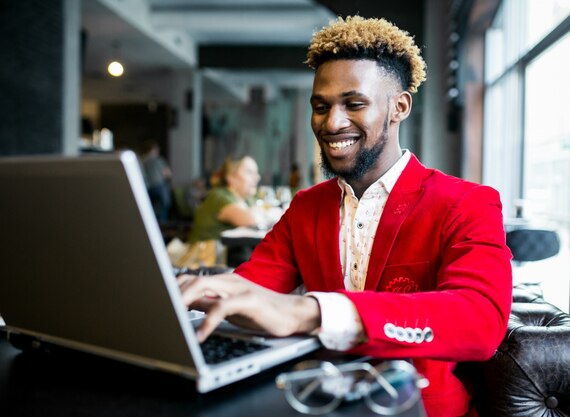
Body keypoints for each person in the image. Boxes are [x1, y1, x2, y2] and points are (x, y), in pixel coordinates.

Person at [178, 16, 512, 417]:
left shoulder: (467, 202)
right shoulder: (306, 207)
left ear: (399, 107)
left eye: (354, 104)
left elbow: (480, 321)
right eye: (321, 106)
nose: (332, 123)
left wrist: (313, 311)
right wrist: (196, 293)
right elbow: (253, 286)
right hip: (316, 401)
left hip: (418, 408)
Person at [140, 140, 172, 222]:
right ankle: (162, 224)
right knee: (165, 205)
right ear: (154, 149)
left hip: (146, 188)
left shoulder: (141, 159)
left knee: (149, 209)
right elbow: (167, 174)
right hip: (159, 186)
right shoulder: (158, 160)